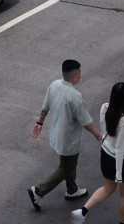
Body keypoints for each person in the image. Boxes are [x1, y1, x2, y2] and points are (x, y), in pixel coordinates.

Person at [28, 59, 102, 213]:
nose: (81, 74)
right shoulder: (75, 96)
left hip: (56, 135)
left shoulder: (54, 85)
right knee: (66, 167)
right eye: (80, 72)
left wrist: (39, 123)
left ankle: (72, 190)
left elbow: (45, 106)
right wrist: (97, 134)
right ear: (74, 77)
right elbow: (86, 122)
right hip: (68, 141)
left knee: (69, 164)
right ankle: (38, 191)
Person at [71, 82, 124, 224]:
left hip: (106, 154)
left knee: (108, 188)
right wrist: (119, 175)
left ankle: (82, 212)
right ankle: (123, 223)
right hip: (122, 160)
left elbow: (103, 129)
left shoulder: (104, 107)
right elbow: (119, 149)